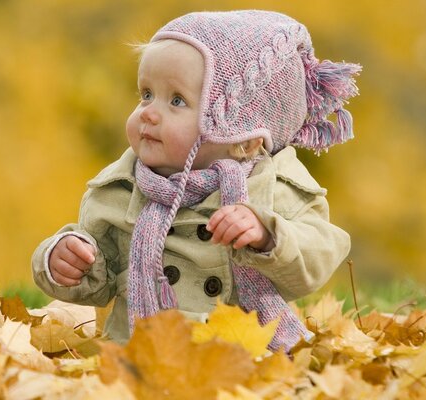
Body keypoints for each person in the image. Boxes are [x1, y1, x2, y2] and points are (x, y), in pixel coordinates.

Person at [32, 10, 360, 352]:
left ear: (243, 139)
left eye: (177, 101)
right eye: (145, 94)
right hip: (140, 354)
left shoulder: (272, 187)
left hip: (243, 358)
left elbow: (319, 253)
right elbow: (98, 283)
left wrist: (267, 236)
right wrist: (63, 261)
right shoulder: (121, 187)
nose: (148, 112)